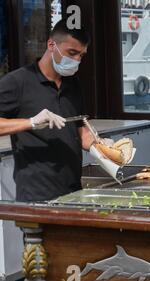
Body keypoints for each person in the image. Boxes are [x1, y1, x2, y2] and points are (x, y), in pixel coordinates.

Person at [0, 19, 96, 202]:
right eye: (72, 53)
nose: (76, 60)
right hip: (36, 195)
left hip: (74, 191)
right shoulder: (18, 82)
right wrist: (30, 122)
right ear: (51, 45)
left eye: (81, 56)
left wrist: (100, 145)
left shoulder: (73, 84)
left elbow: (80, 130)